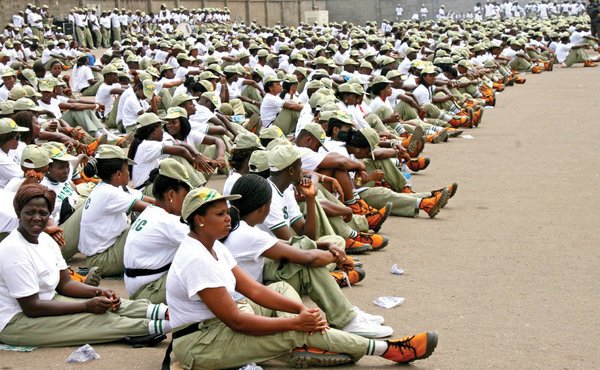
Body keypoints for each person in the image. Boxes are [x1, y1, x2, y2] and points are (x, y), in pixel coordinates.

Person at [165, 186, 438, 368]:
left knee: (285, 295)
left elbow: (254, 291)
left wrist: (300, 310)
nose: (229, 219)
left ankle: (306, 345)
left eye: (227, 212)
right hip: (200, 344)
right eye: (220, 214)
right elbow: (236, 320)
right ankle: (388, 349)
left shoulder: (214, 246)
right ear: (199, 220)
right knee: (296, 332)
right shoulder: (196, 258)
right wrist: (296, 323)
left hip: (216, 329)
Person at [0, 183, 170, 347]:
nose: (37, 218)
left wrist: (99, 292)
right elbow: (31, 307)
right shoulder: (13, 249)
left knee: (108, 304)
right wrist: (85, 305)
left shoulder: (45, 240)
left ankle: (166, 313)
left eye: (43, 213)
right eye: (30, 212)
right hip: (16, 321)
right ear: (18, 213)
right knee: (93, 318)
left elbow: (65, 284)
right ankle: (168, 325)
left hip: (47, 300)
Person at [224, 174, 393, 338]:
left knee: (311, 248)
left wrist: (326, 245)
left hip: (253, 294)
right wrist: (337, 257)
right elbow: (308, 258)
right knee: (308, 265)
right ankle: (346, 318)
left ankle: (346, 313)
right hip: (249, 303)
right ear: (263, 207)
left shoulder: (239, 226)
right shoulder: (248, 234)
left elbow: (289, 244)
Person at [123, 159, 192, 304]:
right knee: (201, 265)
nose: (187, 203)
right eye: (185, 197)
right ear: (171, 195)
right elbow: (208, 244)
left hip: (140, 288)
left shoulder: (151, 211)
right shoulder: (168, 221)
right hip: (147, 293)